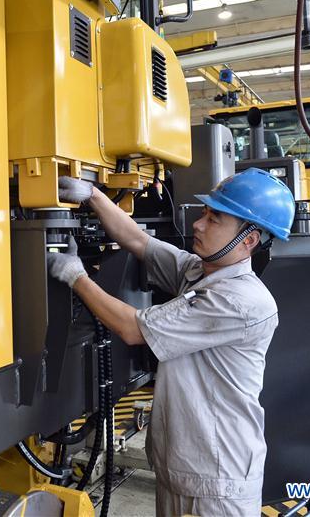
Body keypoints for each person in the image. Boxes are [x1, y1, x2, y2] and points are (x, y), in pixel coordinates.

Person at [47, 168, 295, 517]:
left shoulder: (240, 300)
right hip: (184, 469)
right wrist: (91, 195)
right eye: (205, 213)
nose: (198, 224)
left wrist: (76, 277)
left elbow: (133, 328)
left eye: (215, 218)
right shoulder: (201, 272)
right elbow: (138, 242)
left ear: (249, 240)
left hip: (216, 481)